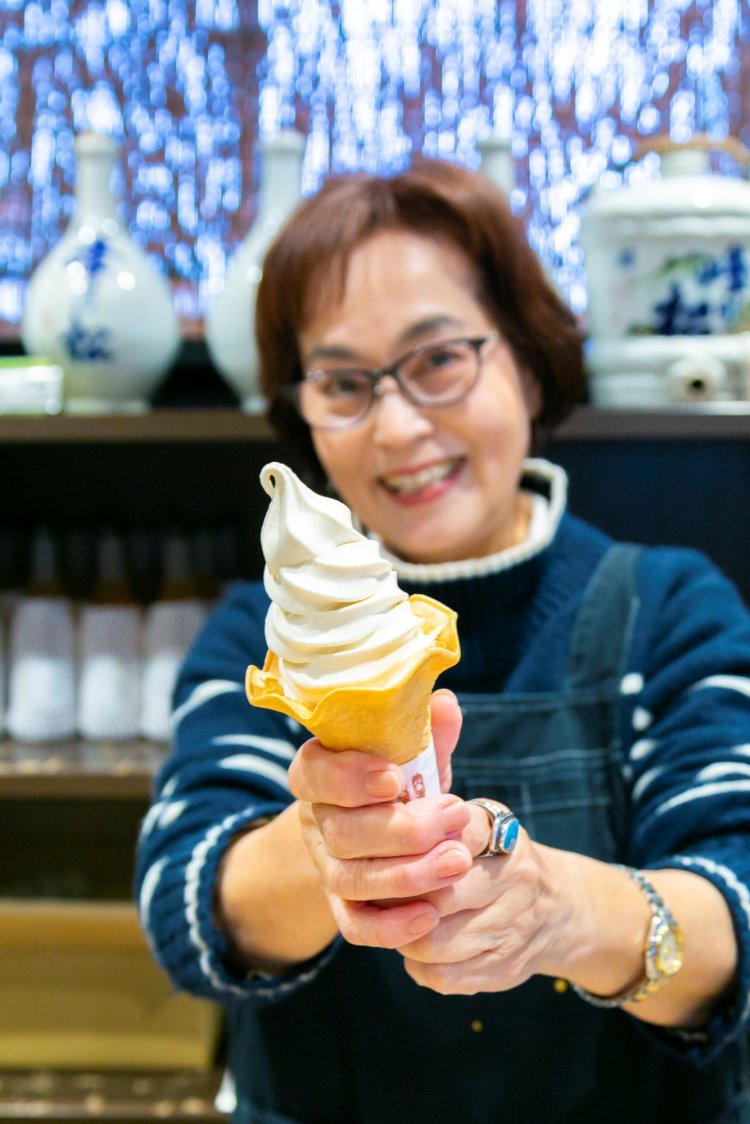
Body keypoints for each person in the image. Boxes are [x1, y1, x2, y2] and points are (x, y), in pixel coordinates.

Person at [135, 159, 750, 1123]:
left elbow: (737, 913)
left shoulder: (666, 609)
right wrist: (327, 846)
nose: (398, 425)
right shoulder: (263, 638)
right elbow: (186, 901)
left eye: (437, 360)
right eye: (344, 382)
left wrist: (560, 912)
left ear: (529, 355)